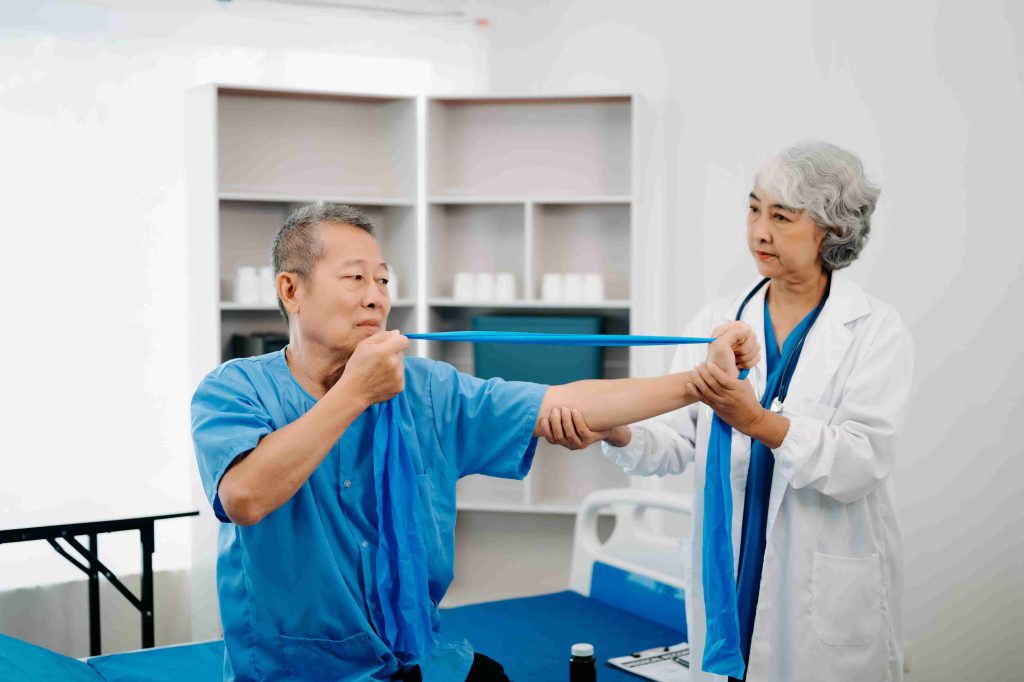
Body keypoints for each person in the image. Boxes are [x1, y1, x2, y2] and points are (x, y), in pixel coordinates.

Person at [191, 202, 760, 681]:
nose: (376, 297)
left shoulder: (427, 390)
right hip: (294, 672)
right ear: (290, 290)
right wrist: (354, 394)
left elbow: (565, 400)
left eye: (384, 280)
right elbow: (246, 497)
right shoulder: (232, 390)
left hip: (413, 659)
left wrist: (699, 383)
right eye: (354, 277)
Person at [541, 141, 914, 681]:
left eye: (781, 217)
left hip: (820, 590)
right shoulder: (714, 321)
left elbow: (863, 461)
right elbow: (675, 442)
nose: (759, 231)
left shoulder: (876, 331)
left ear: (831, 230)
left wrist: (755, 421)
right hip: (729, 575)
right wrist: (615, 429)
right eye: (754, 208)